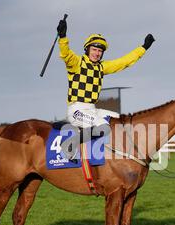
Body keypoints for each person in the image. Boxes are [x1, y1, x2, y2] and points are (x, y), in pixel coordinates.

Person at [56, 18, 155, 159]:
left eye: (99, 51)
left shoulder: (102, 67)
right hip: (76, 110)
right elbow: (66, 54)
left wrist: (143, 48)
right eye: (94, 49)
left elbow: (124, 62)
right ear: (87, 49)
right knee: (104, 127)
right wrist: (63, 37)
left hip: (92, 109)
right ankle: (69, 145)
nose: (97, 53)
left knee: (120, 120)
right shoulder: (77, 63)